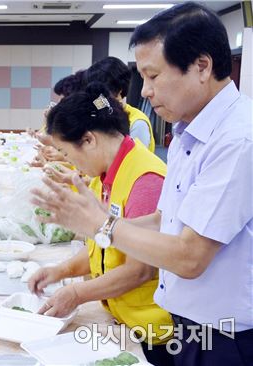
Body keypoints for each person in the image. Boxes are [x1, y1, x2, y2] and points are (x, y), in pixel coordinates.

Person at [31, 3, 252, 365]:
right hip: (188, 323)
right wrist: (99, 222)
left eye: (153, 76)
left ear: (201, 66)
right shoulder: (186, 133)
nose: (144, 92)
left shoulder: (236, 140)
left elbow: (190, 257)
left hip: (226, 335)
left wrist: (104, 225)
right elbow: (166, 220)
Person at [29, 82, 173, 365]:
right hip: (123, 319)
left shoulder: (145, 180)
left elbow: (138, 271)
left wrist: (76, 293)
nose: (70, 163)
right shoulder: (103, 175)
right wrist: (61, 271)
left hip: (153, 332)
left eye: (68, 153)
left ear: (89, 140)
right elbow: (103, 244)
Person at [87, 56, 156, 151]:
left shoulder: (137, 123)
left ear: (119, 91)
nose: (98, 100)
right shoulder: (102, 115)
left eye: (102, 94)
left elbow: (134, 162)